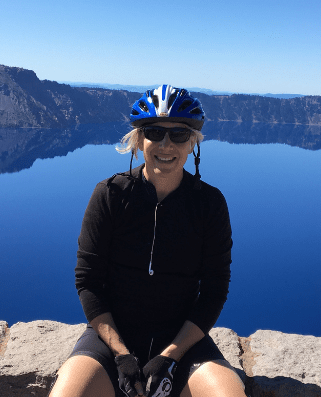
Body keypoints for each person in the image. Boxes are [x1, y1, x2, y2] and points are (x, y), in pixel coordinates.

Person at [50, 85, 245, 397]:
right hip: (112, 337)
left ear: (192, 142)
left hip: (183, 341)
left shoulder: (209, 204)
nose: (166, 144)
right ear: (139, 140)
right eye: (154, 132)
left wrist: (169, 357)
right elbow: (88, 282)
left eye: (179, 134)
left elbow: (214, 291)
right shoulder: (110, 196)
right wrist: (121, 354)